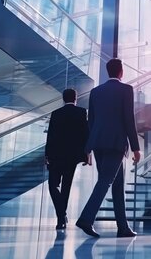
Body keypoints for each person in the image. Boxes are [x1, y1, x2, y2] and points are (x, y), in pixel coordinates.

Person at [76, 58, 141, 238]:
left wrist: (88, 147)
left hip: (98, 143)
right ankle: (86, 219)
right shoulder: (126, 90)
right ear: (121, 72)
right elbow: (129, 119)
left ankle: (123, 227)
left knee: (117, 184)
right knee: (106, 180)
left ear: (108, 71)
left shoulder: (96, 91)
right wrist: (136, 148)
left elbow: (92, 121)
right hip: (115, 143)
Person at [45, 88, 90, 230]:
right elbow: (85, 135)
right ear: (75, 98)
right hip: (72, 156)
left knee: (53, 186)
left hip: (56, 155)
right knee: (66, 186)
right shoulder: (82, 112)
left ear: (63, 99)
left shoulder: (56, 113)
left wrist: (47, 154)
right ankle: (61, 215)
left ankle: (61, 217)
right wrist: (86, 154)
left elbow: (50, 135)